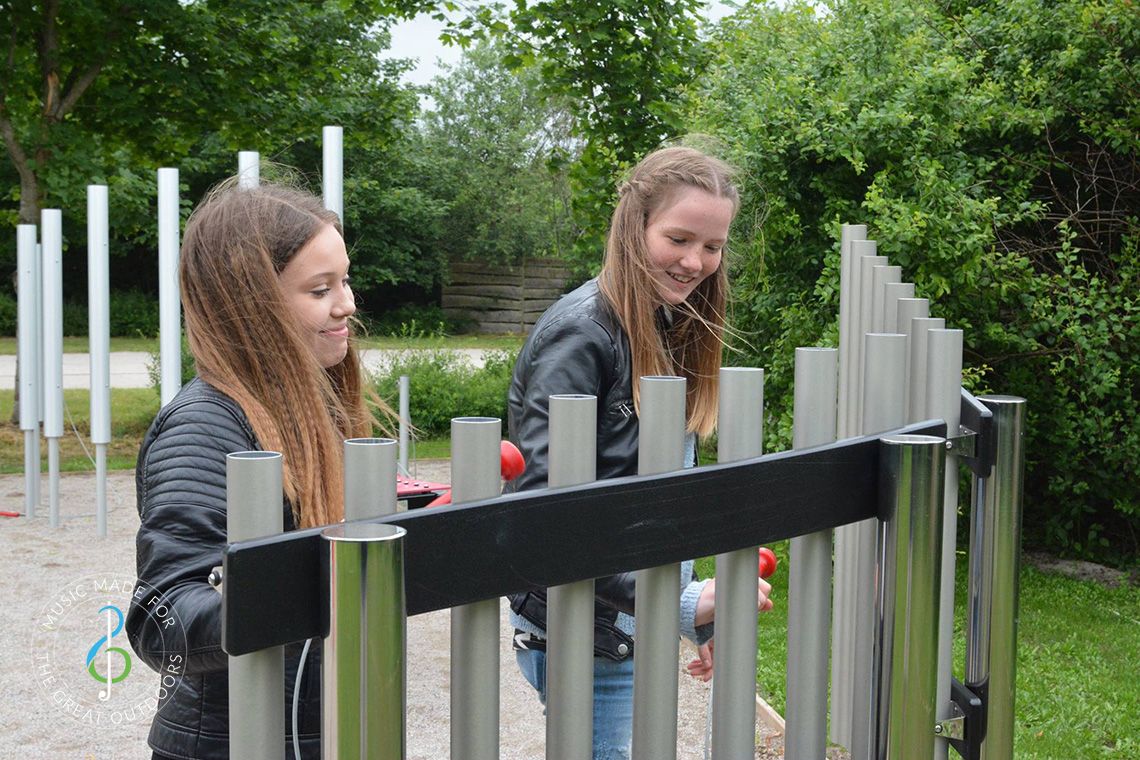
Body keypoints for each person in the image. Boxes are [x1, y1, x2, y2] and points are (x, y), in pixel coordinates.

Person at [506, 144, 775, 759]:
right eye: (679, 238)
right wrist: (678, 600)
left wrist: (690, 616)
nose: (695, 261)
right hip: (581, 622)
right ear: (634, 226)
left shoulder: (666, 320)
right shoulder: (583, 334)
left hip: (626, 613)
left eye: (712, 247)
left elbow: (656, 493)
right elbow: (547, 516)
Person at [126, 179, 385, 760]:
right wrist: (309, 585)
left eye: (344, 280)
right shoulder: (204, 428)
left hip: (311, 731)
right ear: (252, 309)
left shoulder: (311, 405)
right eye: (320, 290)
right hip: (233, 741)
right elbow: (162, 616)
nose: (347, 304)